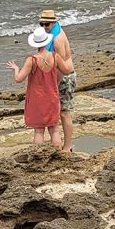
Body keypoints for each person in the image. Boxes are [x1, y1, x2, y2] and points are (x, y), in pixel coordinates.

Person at [7, 26, 74, 148]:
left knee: (39, 131)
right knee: (54, 130)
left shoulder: (31, 60)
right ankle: (58, 155)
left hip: (37, 99)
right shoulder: (55, 57)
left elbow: (18, 79)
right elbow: (67, 70)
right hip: (52, 96)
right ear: (47, 41)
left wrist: (16, 69)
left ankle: (39, 157)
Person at [38, 9, 77, 152]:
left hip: (64, 78)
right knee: (56, 112)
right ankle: (59, 143)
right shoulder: (52, 32)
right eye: (42, 24)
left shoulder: (57, 38)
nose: (44, 27)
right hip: (57, 76)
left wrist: (53, 85)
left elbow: (61, 66)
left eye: (47, 24)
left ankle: (66, 147)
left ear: (53, 22)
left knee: (64, 112)